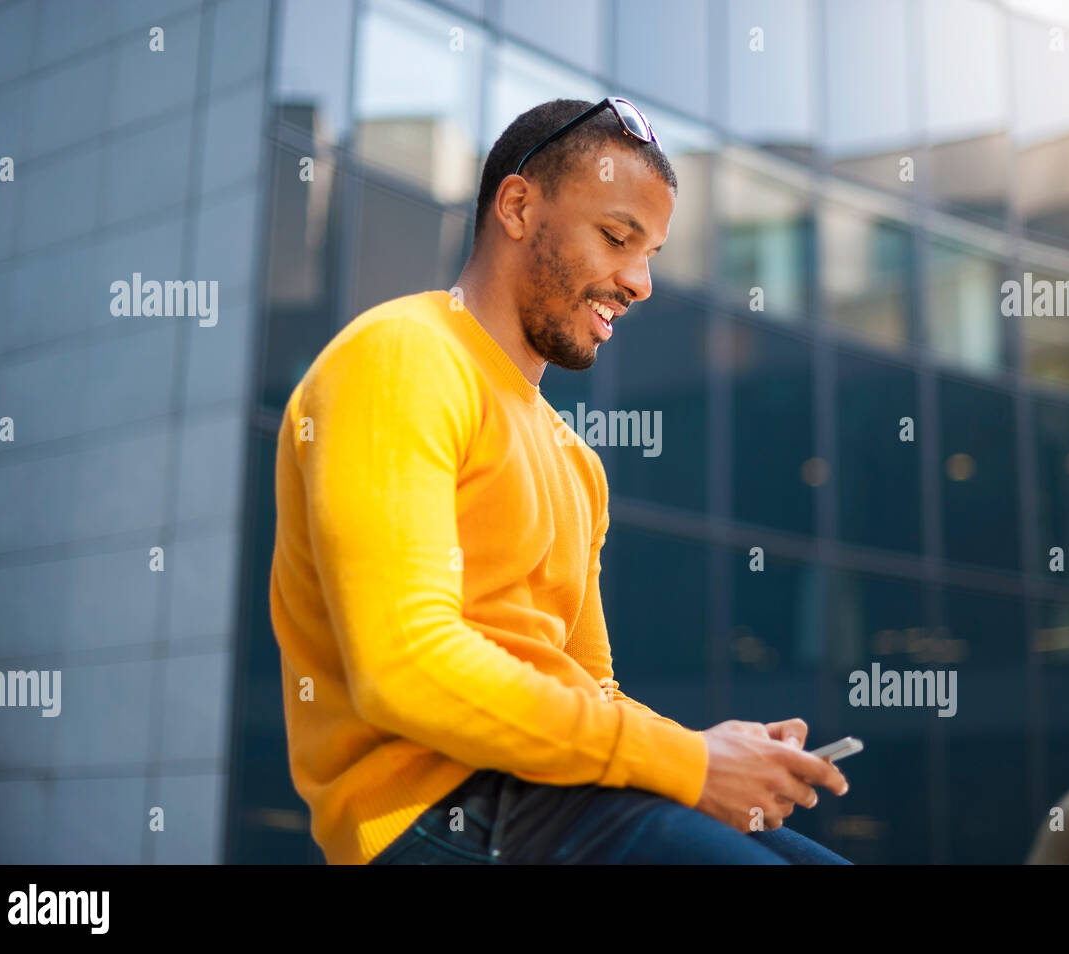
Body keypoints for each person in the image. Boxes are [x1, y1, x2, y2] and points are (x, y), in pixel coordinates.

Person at [269, 97, 852, 865]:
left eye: (651, 254)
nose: (640, 282)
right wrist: (691, 765)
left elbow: (592, 697)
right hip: (441, 812)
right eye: (618, 237)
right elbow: (403, 668)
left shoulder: (577, 462)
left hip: (563, 793)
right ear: (516, 206)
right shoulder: (400, 356)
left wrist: (713, 752)